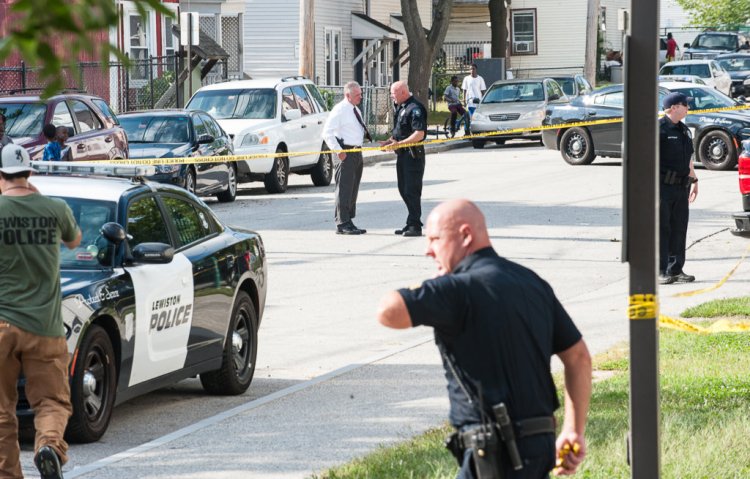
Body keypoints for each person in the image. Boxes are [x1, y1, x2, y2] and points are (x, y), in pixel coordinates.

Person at [377, 199, 592, 478]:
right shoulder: (532, 283)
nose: (428, 251)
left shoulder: (457, 290)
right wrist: (573, 430)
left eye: (435, 239)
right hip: (538, 445)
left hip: (493, 452)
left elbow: (388, 311)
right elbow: (578, 357)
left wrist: (433, 285)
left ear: (466, 235)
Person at [0, 144, 82, 479]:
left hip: (2, 325)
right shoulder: (54, 209)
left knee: (1, 411)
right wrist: (37, 196)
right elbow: (75, 242)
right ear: (30, 172)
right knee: (51, 401)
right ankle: (48, 445)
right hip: (45, 327)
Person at [659, 92, 698, 285]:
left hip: (681, 186)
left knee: (679, 228)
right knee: (662, 229)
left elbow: (689, 157)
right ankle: (660, 270)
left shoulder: (684, 130)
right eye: (685, 104)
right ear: (674, 107)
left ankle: (676, 269)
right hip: (662, 187)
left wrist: (695, 179)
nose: (688, 108)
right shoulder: (659, 129)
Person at [322, 81, 371, 235]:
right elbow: (327, 133)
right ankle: (342, 223)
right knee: (344, 188)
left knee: (353, 188)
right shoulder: (340, 110)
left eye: (361, 94)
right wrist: (338, 151)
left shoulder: (355, 109)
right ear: (347, 95)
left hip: (356, 152)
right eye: (357, 95)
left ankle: (348, 219)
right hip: (345, 152)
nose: (360, 97)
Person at [380, 81, 428, 237]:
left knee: (412, 190)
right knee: (403, 189)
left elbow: (419, 134)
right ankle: (410, 221)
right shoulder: (401, 107)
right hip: (402, 154)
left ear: (402, 92)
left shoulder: (415, 108)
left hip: (413, 155)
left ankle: (415, 225)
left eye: (393, 93)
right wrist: (390, 141)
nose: (391, 96)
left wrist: (399, 144)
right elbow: (400, 130)